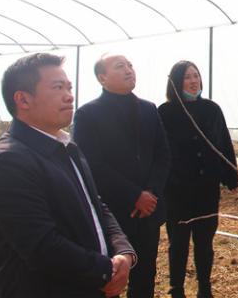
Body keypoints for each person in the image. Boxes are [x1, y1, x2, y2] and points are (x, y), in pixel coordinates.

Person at [0, 53, 135, 298]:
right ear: (23, 99)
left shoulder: (67, 147)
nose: (69, 95)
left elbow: (96, 206)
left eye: (69, 87)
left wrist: (123, 252)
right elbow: (41, 246)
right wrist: (105, 271)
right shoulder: (6, 163)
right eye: (58, 87)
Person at [73, 54, 170, 298]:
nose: (129, 70)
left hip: (148, 212)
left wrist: (151, 193)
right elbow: (92, 165)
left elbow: (163, 155)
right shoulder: (88, 114)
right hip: (112, 213)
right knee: (110, 278)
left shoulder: (148, 109)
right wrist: (134, 195)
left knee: (145, 277)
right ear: (102, 77)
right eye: (120, 66)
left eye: (130, 65)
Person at [158, 60, 238, 298]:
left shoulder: (212, 109)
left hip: (207, 188)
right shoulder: (165, 112)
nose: (193, 81)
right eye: (187, 77)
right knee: (178, 242)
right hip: (178, 190)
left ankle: (204, 287)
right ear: (176, 82)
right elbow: (160, 151)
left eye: (196, 76)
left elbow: (224, 142)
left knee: (205, 241)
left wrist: (230, 175)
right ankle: (176, 289)